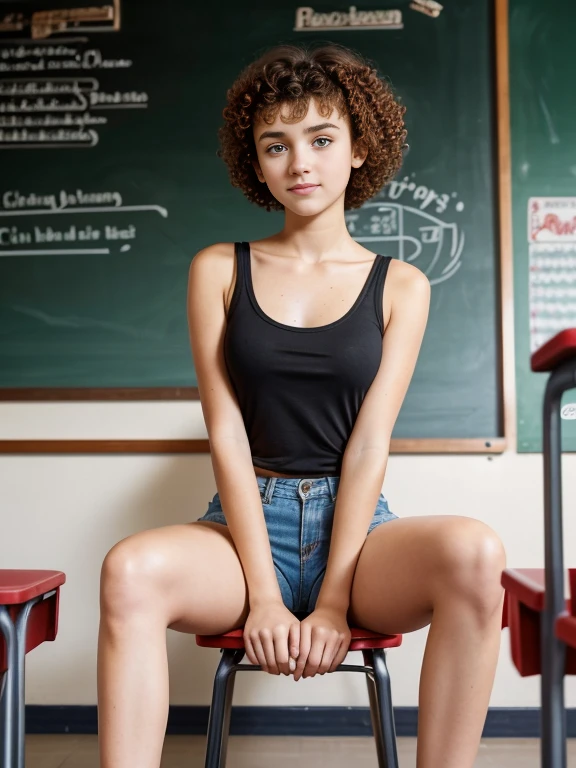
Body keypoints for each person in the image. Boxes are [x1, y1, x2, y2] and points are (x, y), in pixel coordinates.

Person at [97, 42, 507, 768]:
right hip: (242, 526)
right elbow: (224, 432)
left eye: (321, 139)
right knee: (128, 569)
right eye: (276, 145)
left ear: (357, 149)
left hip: (359, 535)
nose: (301, 163)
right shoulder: (219, 269)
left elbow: (370, 443)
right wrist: (262, 595)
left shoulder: (404, 285)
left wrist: (333, 601)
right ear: (256, 164)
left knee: (476, 553)